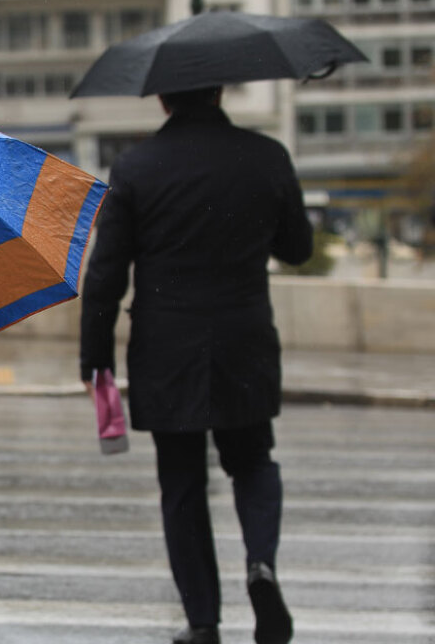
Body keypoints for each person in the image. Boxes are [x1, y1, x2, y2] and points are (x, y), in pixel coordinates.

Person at [79, 86, 312, 644]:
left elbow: (107, 273)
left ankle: (203, 622)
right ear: (219, 91)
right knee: (254, 459)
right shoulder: (266, 155)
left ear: (163, 98)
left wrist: (96, 360)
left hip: (167, 347)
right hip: (245, 338)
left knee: (182, 484)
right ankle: (261, 565)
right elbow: (298, 248)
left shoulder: (136, 168)